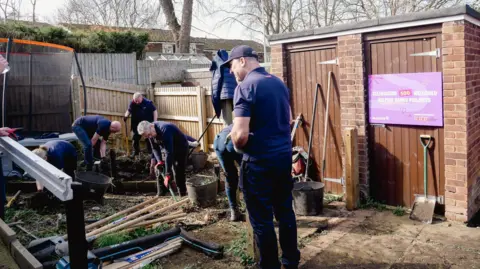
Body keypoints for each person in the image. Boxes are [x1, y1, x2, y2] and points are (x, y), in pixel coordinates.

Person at [223, 45, 300, 269]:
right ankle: (290, 260)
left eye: (232, 65)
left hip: (258, 164)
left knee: (261, 219)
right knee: (285, 211)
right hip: (283, 158)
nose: (230, 71)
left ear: (243, 61)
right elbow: (287, 120)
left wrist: (236, 143)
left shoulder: (246, 86)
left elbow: (239, 135)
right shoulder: (278, 83)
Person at [137, 120, 189, 196]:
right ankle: (162, 193)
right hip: (167, 148)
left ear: (151, 126)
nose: (149, 137)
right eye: (147, 136)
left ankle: (182, 193)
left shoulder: (165, 129)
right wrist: (159, 161)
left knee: (178, 170)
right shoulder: (150, 132)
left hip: (180, 148)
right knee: (161, 168)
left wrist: (167, 174)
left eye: (149, 135)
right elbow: (154, 148)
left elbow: (169, 153)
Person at [213, 124, 243, 221]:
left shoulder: (242, 118)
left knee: (230, 176)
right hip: (232, 140)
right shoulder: (255, 122)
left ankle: (234, 211)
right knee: (248, 174)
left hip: (218, 141)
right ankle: (252, 211)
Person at [124, 92, 158, 158]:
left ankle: (150, 153)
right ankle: (136, 152)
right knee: (135, 138)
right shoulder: (132, 103)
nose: (136, 102)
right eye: (135, 101)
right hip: (136, 124)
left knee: (149, 138)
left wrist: (154, 121)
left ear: (141, 98)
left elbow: (155, 111)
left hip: (147, 124)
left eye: (137, 101)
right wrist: (126, 116)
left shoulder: (148, 103)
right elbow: (129, 110)